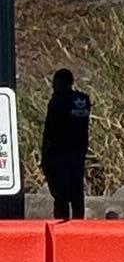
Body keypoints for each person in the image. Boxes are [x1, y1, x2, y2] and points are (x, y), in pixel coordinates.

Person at [40, 69, 91, 221]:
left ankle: (62, 227)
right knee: (77, 194)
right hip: (78, 153)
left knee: (60, 196)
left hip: (59, 154)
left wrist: (45, 156)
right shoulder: (82, 100)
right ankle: (78, 225)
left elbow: (50, 131)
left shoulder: (57, 101)